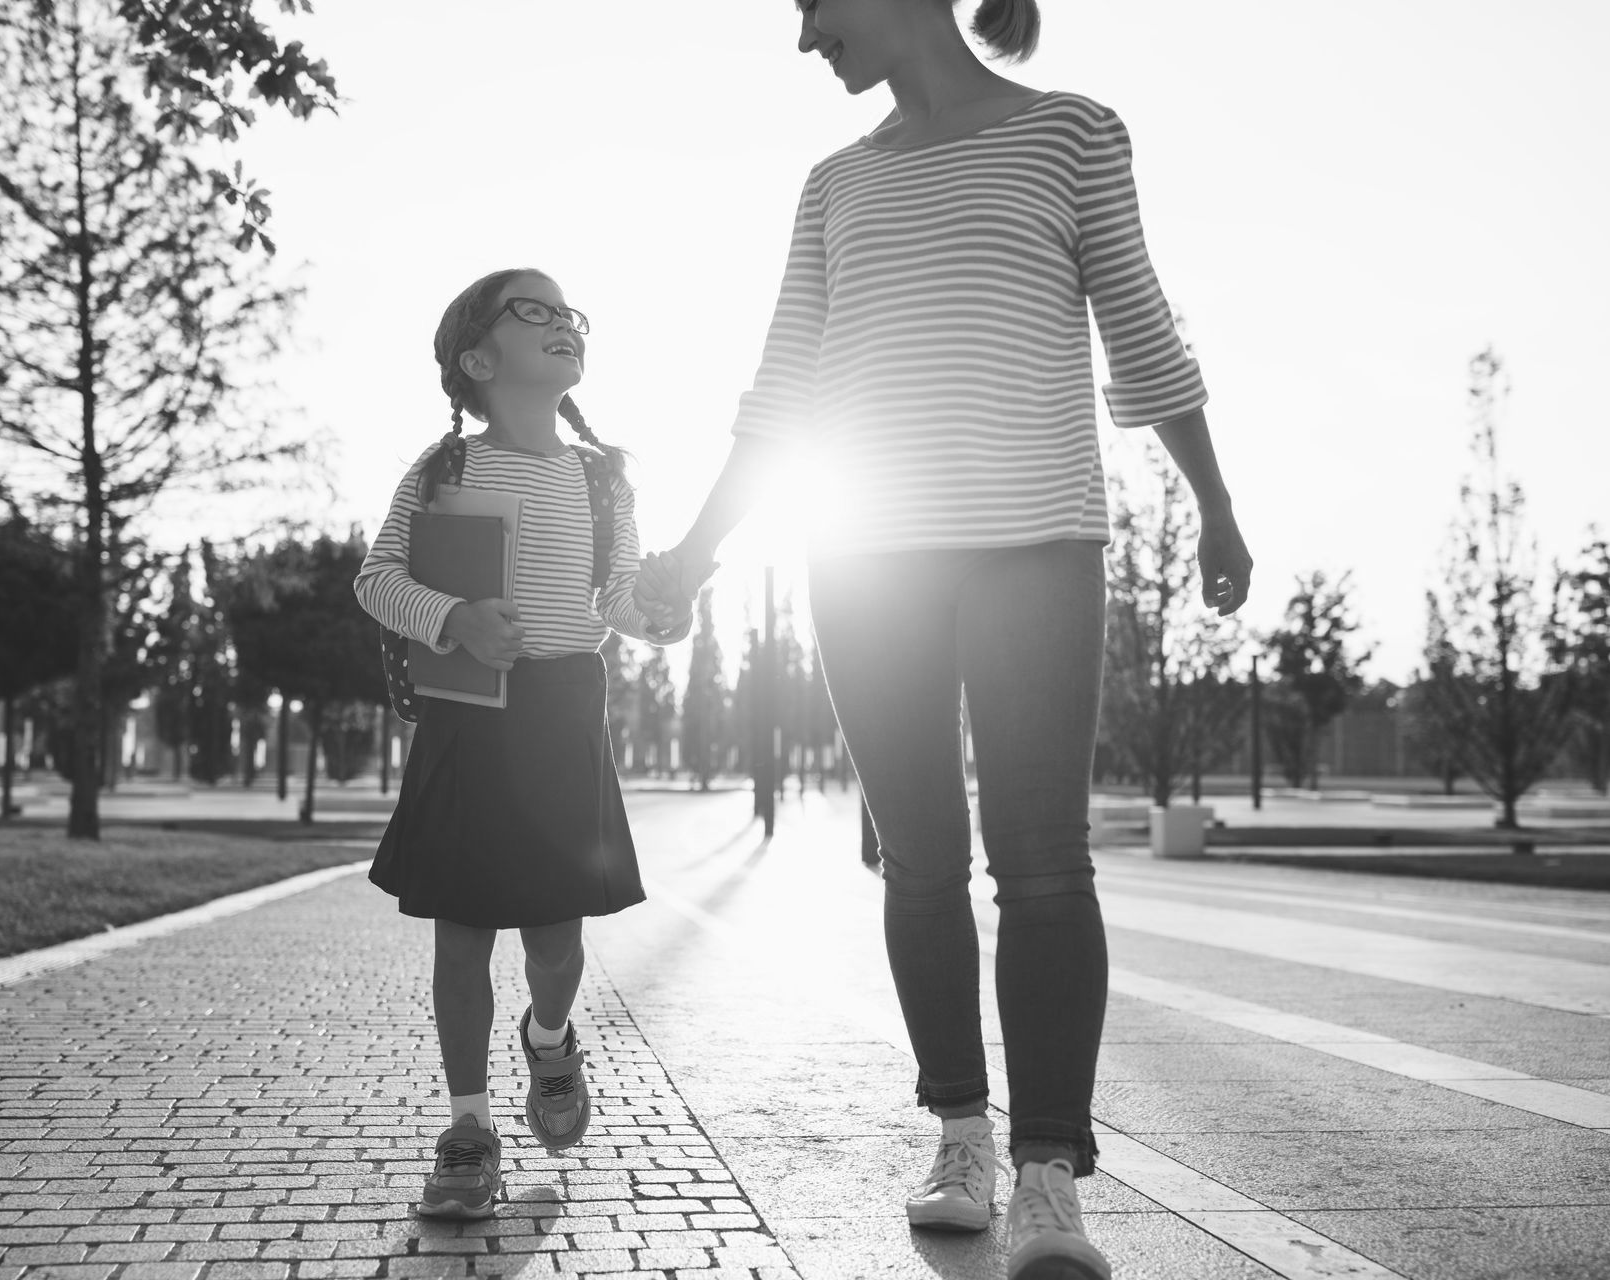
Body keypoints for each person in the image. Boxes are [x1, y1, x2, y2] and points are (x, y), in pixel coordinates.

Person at [639, 3, 1253, 1277]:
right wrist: (698, 553)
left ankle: (1048, 1175)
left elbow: (1139, 325)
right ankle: (960, 1136)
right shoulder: (834, 184)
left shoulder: (1072, 133)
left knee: (1042, 866)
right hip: (866, 562)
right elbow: (782, 390)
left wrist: (1215, 499)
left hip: (1036, 542)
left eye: (818, 7)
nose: (808, 39)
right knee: (920, 863)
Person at [355, 268, 692, 1220]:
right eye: (532, 311)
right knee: (462, 938)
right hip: (467, 715)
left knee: (554, 939)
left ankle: (551, 1042)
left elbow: (622, 603)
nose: (562, 323)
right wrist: (455, 617)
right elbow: (377, 580)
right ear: (476, 358)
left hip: (560, 714)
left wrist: (666, 614)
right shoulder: (442, 471)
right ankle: (468, 1133)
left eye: (567, 313)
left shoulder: (602, 476)